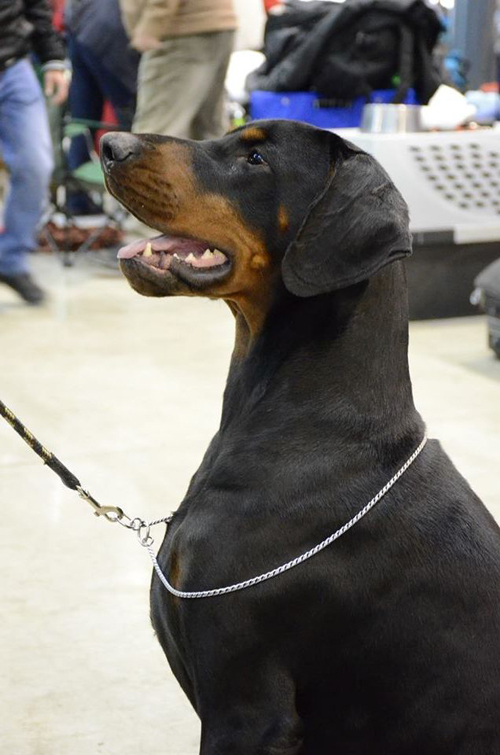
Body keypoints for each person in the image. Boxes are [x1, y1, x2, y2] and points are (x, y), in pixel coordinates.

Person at [0, 0, 69, 305]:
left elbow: (36, 7)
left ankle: (10, 260)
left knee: (36, 164)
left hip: (14, 67)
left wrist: (53, 59)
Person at [119, 0, 237, 140]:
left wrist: (151, 26)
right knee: (209, 135)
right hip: (213, 22)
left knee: (152, 138)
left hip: (178, 29)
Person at [65, 0, 139, 214]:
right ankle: (135, 203)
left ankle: (77, 200)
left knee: (82, 120)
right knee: (132, 117)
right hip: (109, 29)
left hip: (79, 24)